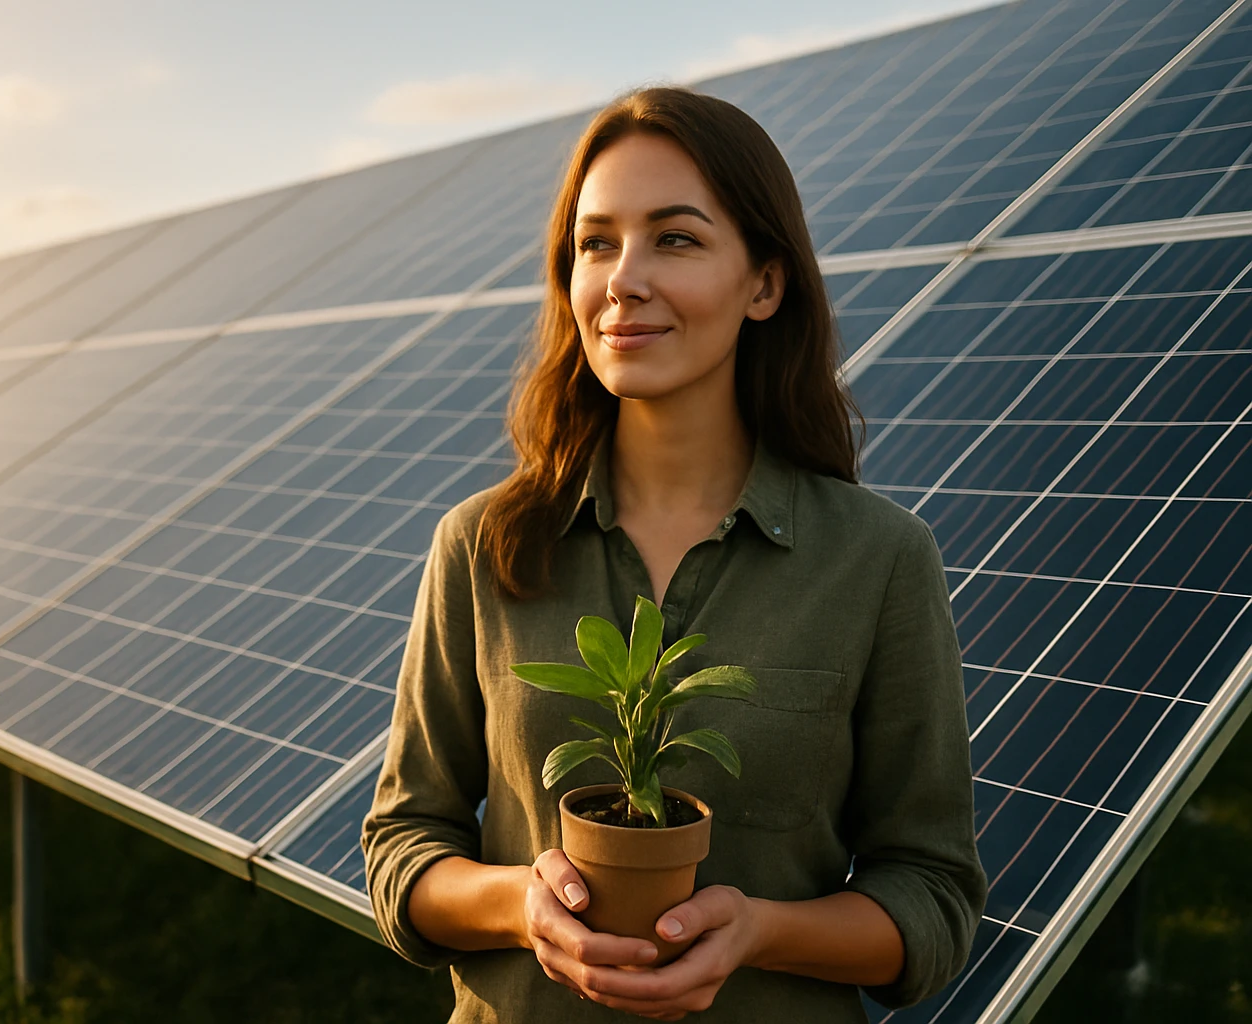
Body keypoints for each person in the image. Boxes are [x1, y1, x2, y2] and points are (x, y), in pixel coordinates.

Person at [361, 85, 987, 1023]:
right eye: (596, 243)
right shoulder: (482, 546)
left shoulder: (879, 559)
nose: (624, 280)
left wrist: (759, 931)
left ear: (765, 285)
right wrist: (522, 907)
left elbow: (932, 896)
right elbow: (404, 848)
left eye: (676, 239)